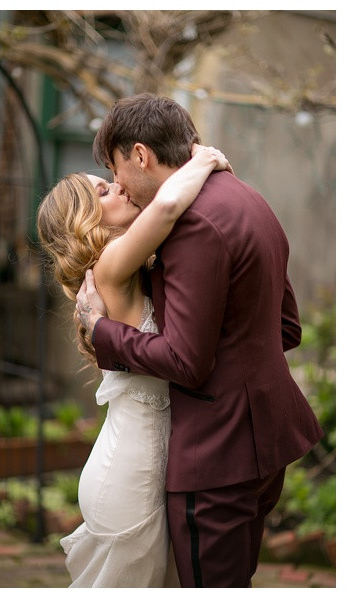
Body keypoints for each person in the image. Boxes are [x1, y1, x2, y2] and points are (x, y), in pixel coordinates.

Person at [75, 93, 323, 587]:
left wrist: (102, 332)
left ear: (140, 155)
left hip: (216, 457)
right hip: (264, 445)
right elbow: (286, 327)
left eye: (114, 169)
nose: (118, 184)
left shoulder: (190, 226)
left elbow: (187, 361)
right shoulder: (248, 198)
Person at [38, 143, 232, 587]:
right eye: (104, 191)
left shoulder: (128, 265)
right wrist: (202, 160)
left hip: (141, 460)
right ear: (84, 221)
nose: (120, 189)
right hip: (131, 473)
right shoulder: (108, 265)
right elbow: (164, 208)